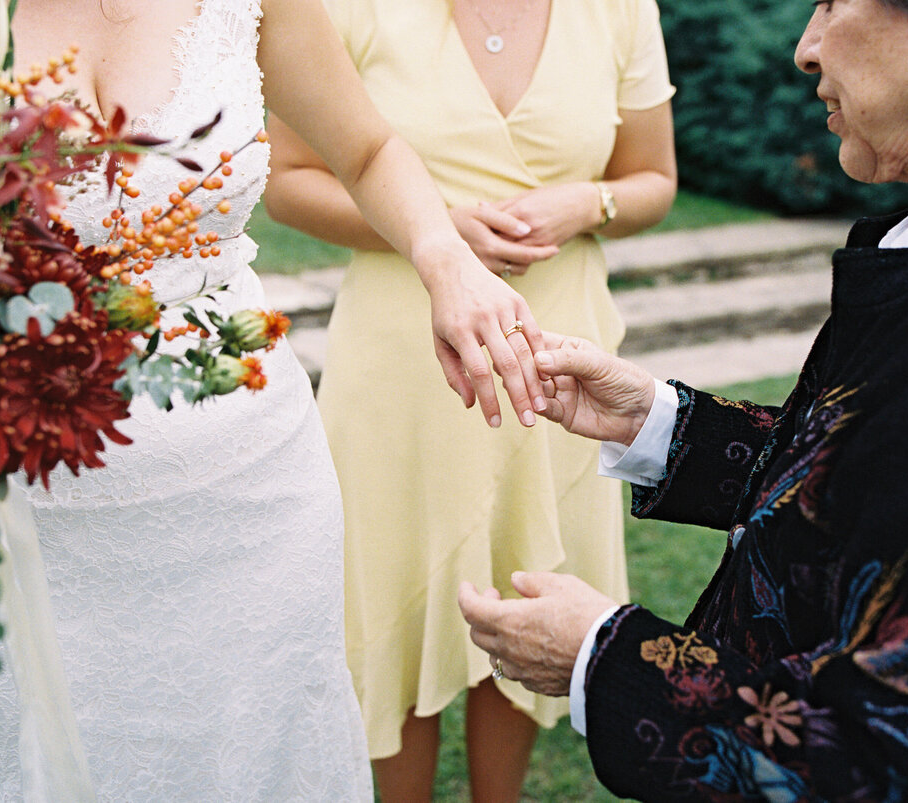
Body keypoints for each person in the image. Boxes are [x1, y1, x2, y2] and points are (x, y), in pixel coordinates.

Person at [0, 0, 550, 798]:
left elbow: (370, 149)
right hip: (18, 503)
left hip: (253, 486)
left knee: (268, 754)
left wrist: (442, 255)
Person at [458, 0, 908, 798]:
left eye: (832, 3)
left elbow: (905, 767)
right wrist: (663, 424)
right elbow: (896, 497)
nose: (805, 48)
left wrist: (601, 656)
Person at [261, 0, 676, 797]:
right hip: (400, 363)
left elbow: (655, 179)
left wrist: (590, 202)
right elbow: (288, 183)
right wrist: (433, 232)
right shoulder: (349, 9)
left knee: (527, 584)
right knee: (395, 600)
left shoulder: (621, 10)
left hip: (558, 366)